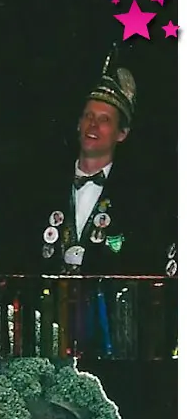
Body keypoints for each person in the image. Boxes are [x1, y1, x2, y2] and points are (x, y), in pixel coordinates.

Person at [36, 49, 161, 275]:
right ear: (78, 124)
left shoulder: (137, 199)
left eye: (104, 120)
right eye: (89, 116)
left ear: (122, 133)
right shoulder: (45, 186)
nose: (93, 125)